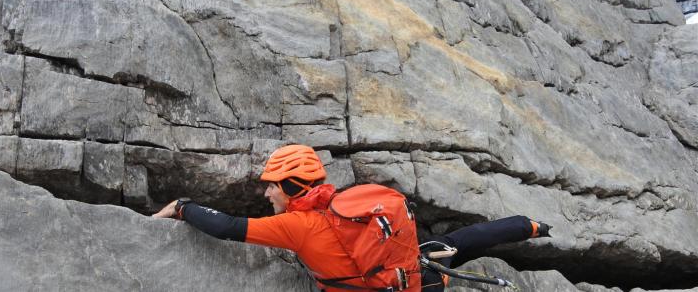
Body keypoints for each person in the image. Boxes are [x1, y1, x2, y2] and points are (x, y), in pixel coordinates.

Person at [153, 144, 551, 291]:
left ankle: (528, 226)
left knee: (464, 243)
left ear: (292, 186)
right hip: (420, 274)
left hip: (389, 284)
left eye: (272, 184)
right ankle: (531, 226)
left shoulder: (295, 226)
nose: (266, 192)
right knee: (463, 242)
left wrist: (182, 206)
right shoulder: (339, 204)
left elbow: (224, 227)